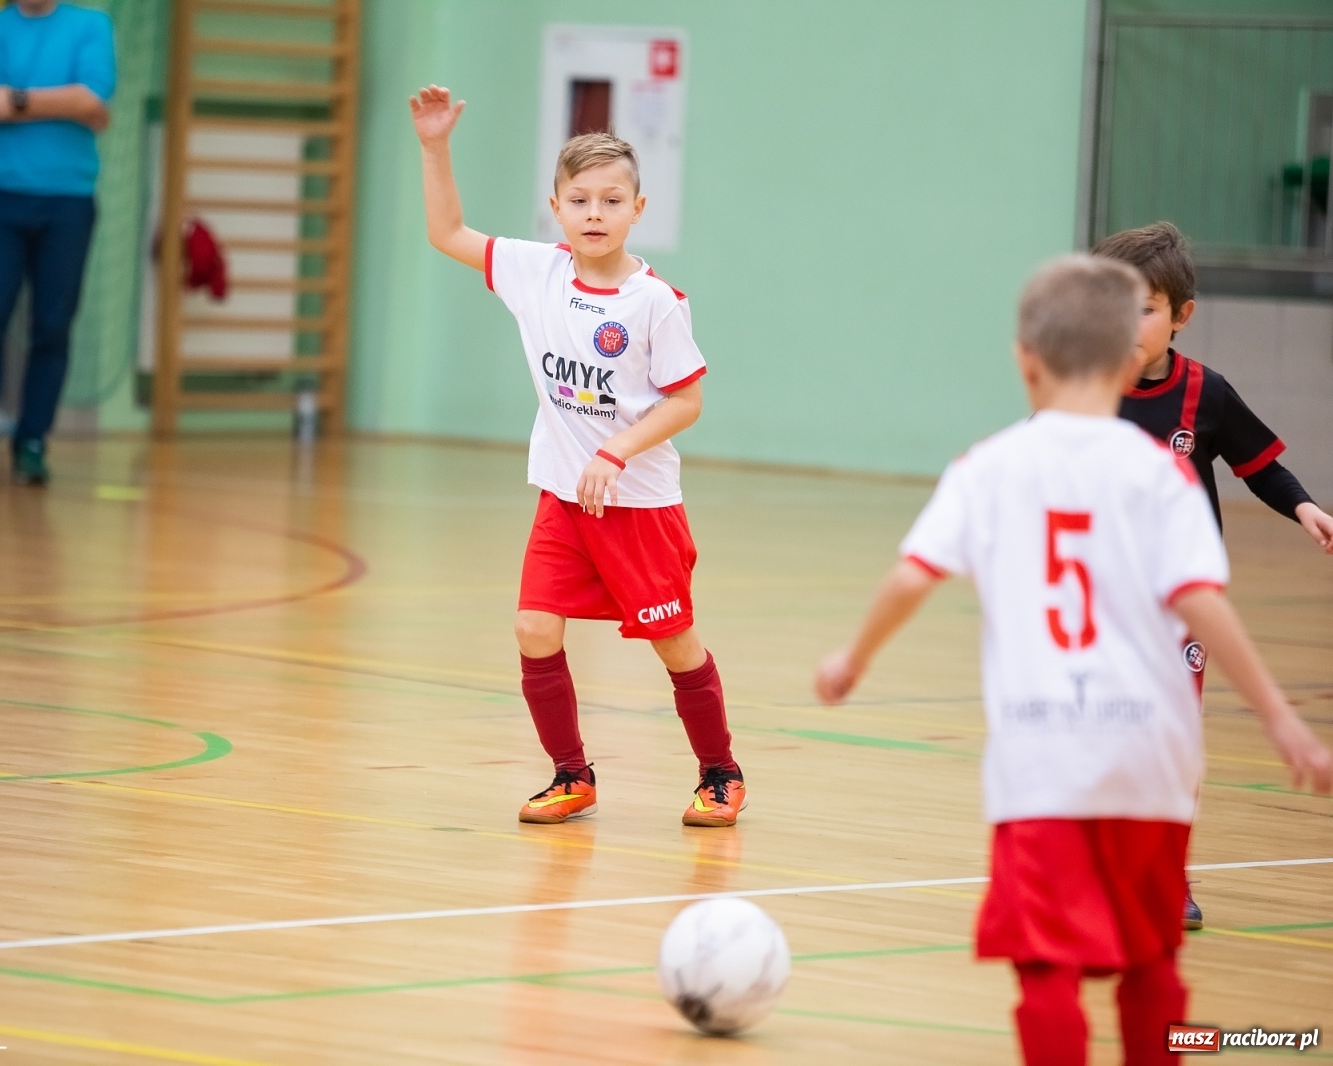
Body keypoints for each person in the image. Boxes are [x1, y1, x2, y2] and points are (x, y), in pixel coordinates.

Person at [814, 255, 1331, 1066]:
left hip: (1041, 759)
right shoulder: (1163, 474)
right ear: (1126, 360)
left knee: (1046, 969)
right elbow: (1204, 605)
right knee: (1151, 962)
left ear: (1026, 360)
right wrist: (1281, 721)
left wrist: (853, 658)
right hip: (1151, 760)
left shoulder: (989, 465)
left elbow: (913, 576)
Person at [409, 85, 746, 827]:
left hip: (639, 507)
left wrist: (616, 451)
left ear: (637, 209)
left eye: (612, 201)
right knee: (534, 627)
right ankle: (571, 775)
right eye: (581, 200)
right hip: (564, 496)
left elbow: (686, 402)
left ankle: (720, 771)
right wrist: (435, 146)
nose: (596, 213)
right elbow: (446, 231)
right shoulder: (536, 272)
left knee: (674, 644)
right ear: (556, 208)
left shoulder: (655, 302)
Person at [1095, 220, 1333, 929]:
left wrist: (1305, 507)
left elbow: (1260, 465)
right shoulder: (1087, 389)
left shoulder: (1205, 393)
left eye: (1144, 308)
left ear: (1182, 315)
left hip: (1182, 606)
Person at [0, 0, 114, 486]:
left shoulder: (91, 26)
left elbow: (92, 100)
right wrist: (68, 104)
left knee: (53, 327)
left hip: (69, 200)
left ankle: (33, 441)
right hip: (2, 197)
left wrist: (18, 100)